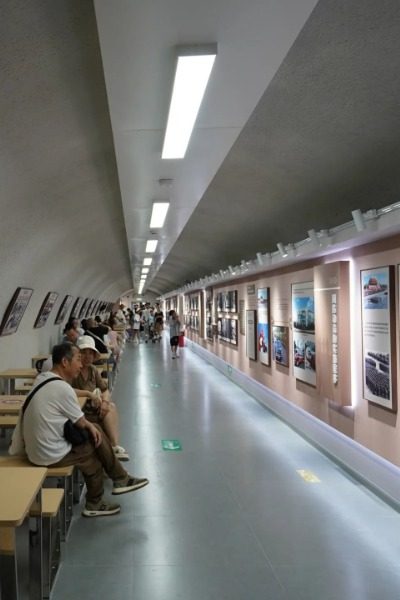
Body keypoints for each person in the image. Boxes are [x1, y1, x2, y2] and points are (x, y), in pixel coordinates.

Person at [21, 342, 149, 517]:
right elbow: (82, 422)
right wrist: (93, 430)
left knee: (95, 430)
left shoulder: (42, 379)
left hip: (34, 448)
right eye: (78, 360)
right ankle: (98, 500)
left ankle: (120, 479)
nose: (81, 365)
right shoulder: (62, 388)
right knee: (93, 454)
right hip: (47, 454)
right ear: (65, 362)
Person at [72, 336, 129, 461]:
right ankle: (113, 449)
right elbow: (66, 389)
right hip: (79, 413)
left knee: (110, 406)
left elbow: (105, 390)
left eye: (90, 353)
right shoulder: (73, 370)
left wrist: (105, 402)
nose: (87, 356)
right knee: (110, 410)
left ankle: (113, 447)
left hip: (93, 408)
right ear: (78, 355)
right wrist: (88, 393)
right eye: (84, 353)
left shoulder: (93, 370)